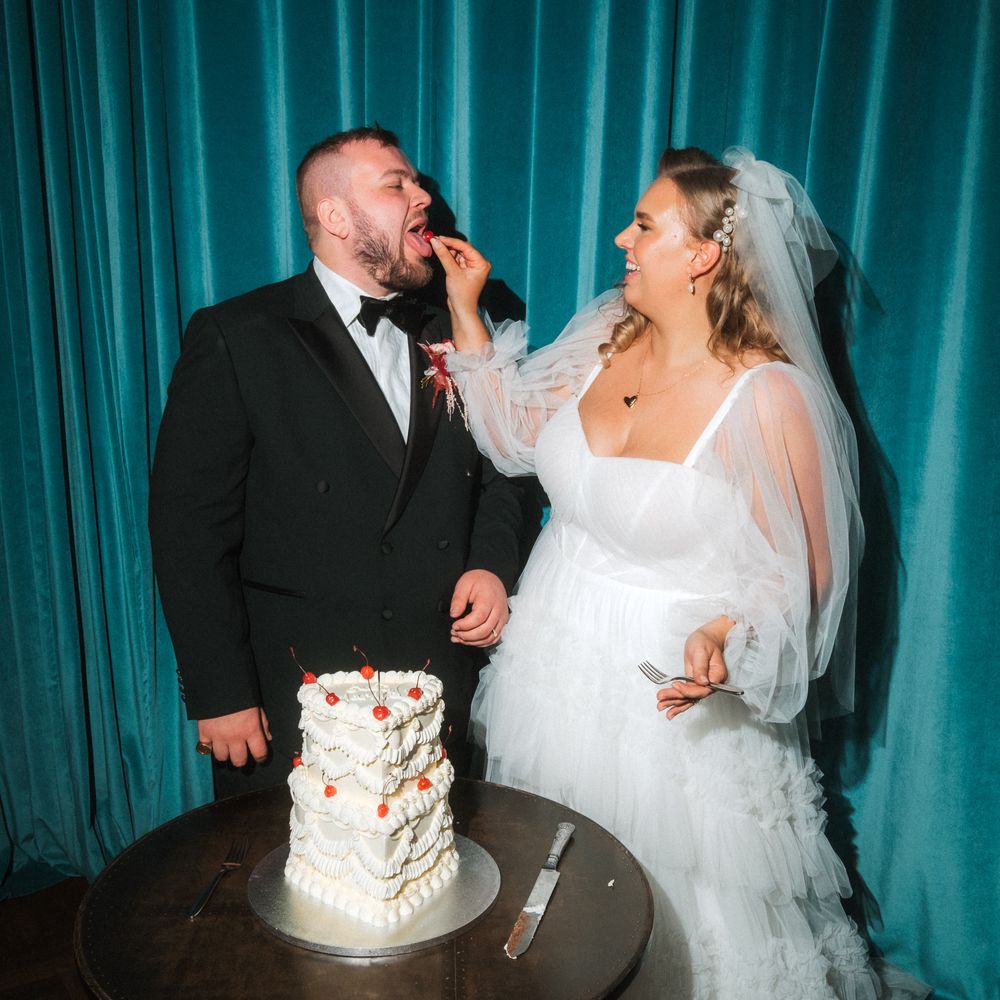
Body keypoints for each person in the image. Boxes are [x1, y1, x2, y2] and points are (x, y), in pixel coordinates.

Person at [429, 148, 879, 997]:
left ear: (704, 255)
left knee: (687, 925)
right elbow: (515, 434)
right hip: (554, 670)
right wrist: (464, 310)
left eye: (644, 225)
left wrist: (725, 635)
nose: (619, 238)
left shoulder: (769, 397)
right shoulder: (608, 338)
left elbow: (807, 578)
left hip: (670, 707)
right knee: (556, 906)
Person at [149, 126, 523, 798]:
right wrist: (220, 691)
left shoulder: (469, 318)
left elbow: (510, 468)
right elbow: (188, 531)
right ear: (335, 216)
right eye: (396, 184)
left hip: (439, 679)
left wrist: (493, 565)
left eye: (419, 182)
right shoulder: (238, 337)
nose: (423, 198)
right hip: (295, 693)